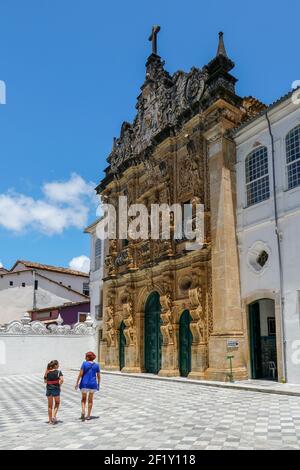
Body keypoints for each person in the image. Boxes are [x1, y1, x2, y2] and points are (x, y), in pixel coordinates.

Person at [75, 352, 100, 421]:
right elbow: (98, 376)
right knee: (90, 400)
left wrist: (77, 383)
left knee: (83, 399)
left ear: (88, 357)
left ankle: (83, 411)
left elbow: (80, 374)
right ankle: (88, 415)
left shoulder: (84, 363)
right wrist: (98, 384)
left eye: (86, 356)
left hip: (84, 383)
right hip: (93, 384)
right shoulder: (97, 365)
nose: (85, 357)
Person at [44, 360, 64, 424]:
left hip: (49, 389)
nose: (59, 365)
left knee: (50, 406)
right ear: (55, 365)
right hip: (56, 389)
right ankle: (54, 416)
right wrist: (59, 385)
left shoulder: (47, 372)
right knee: (57, 403)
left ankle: (50, 420)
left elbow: (45, 381)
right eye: (58, 364)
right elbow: (62, 380)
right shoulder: (59, 372)